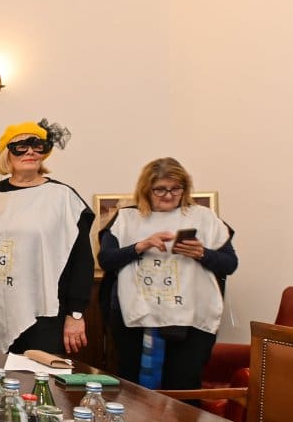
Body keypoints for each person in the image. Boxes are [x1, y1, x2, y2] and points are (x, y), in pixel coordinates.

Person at [98, 157, 237, 389]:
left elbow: (230, 264)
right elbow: (106, 260)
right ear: (146, 189)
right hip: (135, 321)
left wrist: (202, 253)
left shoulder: (204, 217)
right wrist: (141, 246)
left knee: (183, 385)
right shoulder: (127, 218)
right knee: (134, 387)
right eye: (160, 189)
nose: (169, 195)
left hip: (190, 322)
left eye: (175, 189)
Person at [0, 119, 94, 356]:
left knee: (38, 377)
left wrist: (76, 314)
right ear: (7, 154)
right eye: (21, 146)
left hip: (42, 313)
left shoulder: (62, 197)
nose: (30, 152)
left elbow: (82, 260)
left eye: (37, 145)